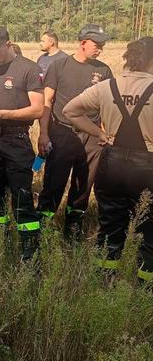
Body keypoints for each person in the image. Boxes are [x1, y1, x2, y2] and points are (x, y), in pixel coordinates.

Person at [63, 37, 153, 283]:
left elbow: (69, 111)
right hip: (147, 167)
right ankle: (145, 292)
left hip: (111, 163)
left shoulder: (106, 87)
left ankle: (104, 282)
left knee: (110, 227)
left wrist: (100, 134)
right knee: (150, 232)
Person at [37, 24, 112, 236]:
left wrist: (105, 135)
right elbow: (47, 101)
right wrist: (43, 133)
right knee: (54, 182)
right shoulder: (59, 66)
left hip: (92, 136)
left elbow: (108, 105)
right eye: (97, 45)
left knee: (84, 184)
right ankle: (42, 227)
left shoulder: (104, 70)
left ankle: (73, 227)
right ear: (83, 43)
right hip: (63, 132)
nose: (101, 49)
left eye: (103, 45)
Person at [0, 26, 43, 260]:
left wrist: (2, 114)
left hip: (16, 140)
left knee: (21, 195)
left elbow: (37, 109)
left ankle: (29, 251)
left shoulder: (29, 69)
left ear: (7, 43)